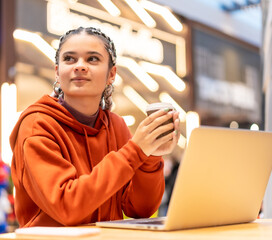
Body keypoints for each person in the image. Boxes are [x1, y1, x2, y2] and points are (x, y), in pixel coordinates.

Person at [10, 26, 180, 227]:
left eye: (92, 59)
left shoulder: (116, 125)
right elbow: (67, 206)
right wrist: (135, 151)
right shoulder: (36, 125)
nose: (80, 66)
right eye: (69, 59)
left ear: (111, 74)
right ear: (57, 72)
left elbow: (140, 209)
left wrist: (151, 157)